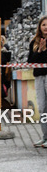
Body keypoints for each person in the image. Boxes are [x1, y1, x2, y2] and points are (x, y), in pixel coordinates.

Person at [27, 15, 47, 148]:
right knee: (42, 107)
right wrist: (40, 49)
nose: (46, 27)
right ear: (40, 27)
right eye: (44, 25)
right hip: (39, 77)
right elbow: (31, 61)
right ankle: (45, 136)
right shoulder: (34, 42)